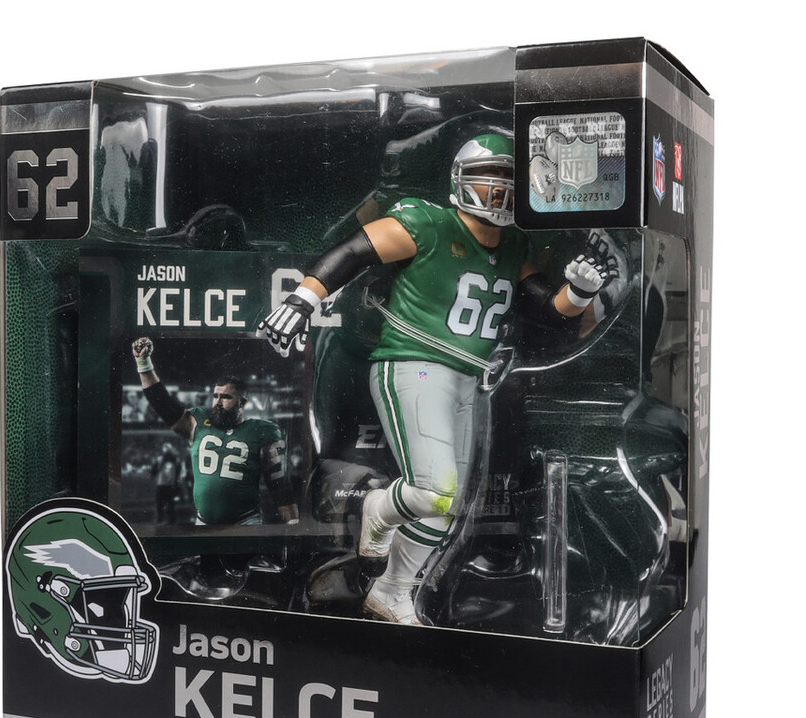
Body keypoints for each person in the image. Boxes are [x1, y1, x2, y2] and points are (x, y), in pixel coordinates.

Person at [259, 132, 614, 624]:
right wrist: (302, 299)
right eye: (490, 176)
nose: (501, 188)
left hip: (468, 378)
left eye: (510, 177)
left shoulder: (514, 244)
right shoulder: (426, 222)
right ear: (461, 181)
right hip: (415, 364)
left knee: (445, 509)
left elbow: (548, 312)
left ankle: (392, 592)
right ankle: (378, 509)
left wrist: (578, 292)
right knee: (434, 490)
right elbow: (354, 251)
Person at [131, 338, 298, 525]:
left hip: (245, 522)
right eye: (215, 396)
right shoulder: (199, 420)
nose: (218, 402)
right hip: (203, 523)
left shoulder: (262, 431)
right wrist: (143, 363)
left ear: (242, 402)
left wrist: (293, 526)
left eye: (225, 397)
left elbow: (280, 487)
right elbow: (163, 404)